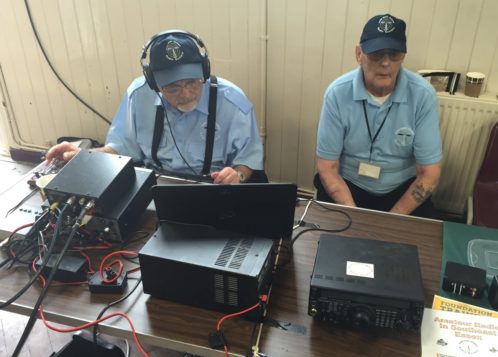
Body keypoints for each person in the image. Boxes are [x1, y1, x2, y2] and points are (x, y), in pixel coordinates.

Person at [46, 30, 264, 185]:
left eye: (192, 82)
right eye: (172, 87)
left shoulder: (232, 100)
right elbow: (120, 149)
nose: (186, 94)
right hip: (155, 184)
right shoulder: (139, 94)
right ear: (154, 84)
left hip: (213, 187)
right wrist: (82, 156)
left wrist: (238, 176)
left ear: (204, 72)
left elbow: (247, 161)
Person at [314, 14, 442, 217]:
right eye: (376, 54)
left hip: (400, 190)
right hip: (348, 186)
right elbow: (328, 167)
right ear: (359, 54)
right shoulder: (337, 94)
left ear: (403, 56)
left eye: (394, 54)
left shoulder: (423, 95)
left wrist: (390, 220)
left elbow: (429, 174)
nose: (385, 63)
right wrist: (353, 215)